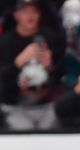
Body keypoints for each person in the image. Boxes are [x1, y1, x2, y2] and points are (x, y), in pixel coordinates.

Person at [0, 0, 64, 130]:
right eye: (25, 11)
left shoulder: (50, 38)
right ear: (16, 15)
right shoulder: (5, 42)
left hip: (45, 105)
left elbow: (61, 73)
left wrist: (50, 66)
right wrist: (18, 62)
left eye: (34, 11)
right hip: (15, 106)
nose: (30, 16)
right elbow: (2, 77)